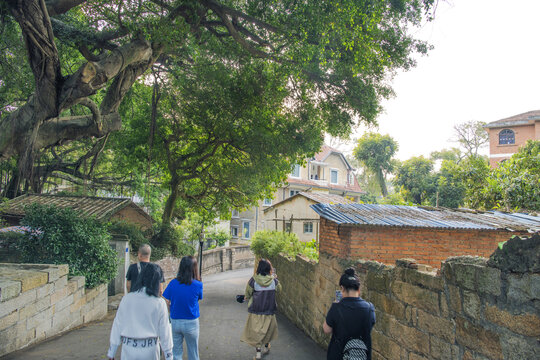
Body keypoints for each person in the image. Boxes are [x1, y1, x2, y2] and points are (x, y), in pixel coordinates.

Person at [107, 263, 173, 360]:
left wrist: (111, 352)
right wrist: (169, 355)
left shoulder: (127, 299)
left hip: (128, 349)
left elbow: (118, 325)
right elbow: (165, 330)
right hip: (150, 349)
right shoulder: (159, 303)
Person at [323, 268, 376, 360]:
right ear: (359, 289)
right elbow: (369, 327)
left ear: (342, 288)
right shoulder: (369, 308)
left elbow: (326, 330)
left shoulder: (336, 307)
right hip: (362, 356)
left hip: (339, 355)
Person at [162, 256, 203, 360]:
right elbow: (198, 298)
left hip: (175, 321)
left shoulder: (173, 283)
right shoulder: (198, 285)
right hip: (191, 322)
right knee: (193, 353)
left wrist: (170, 307)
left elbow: (166, 299)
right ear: (194, 268)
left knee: (176, 353)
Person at [241, 258, 281, 360]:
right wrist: (275, 278)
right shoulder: (273, 281)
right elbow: (280, 289)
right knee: (268, 329)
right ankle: (267, 346)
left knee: (257, 332)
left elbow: (248, 294)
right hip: (269, 310)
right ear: (269, 269)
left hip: (256, 310)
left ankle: (258, 353)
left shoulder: (253, 280)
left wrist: (245, 298)